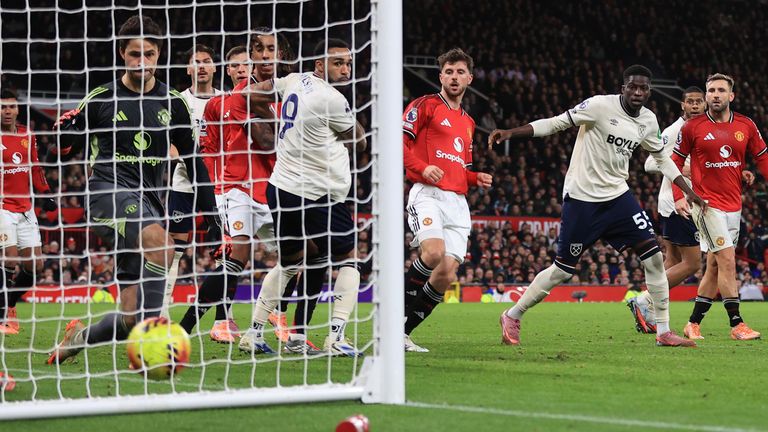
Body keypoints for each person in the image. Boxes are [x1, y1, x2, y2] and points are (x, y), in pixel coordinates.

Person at [489, 65, 707, 348]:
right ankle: (512, 314)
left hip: (618, 197)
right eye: (632, 87)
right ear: (623, 88)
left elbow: (662, 158)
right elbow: (556, 123)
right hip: (583, 198)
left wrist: (688, 191)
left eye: (643, 88)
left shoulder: (648, 120)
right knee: (562, 270)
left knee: (654, 257)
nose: (638, 92)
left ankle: (663, 331)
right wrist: (512, 133)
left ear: (649, 92)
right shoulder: (599, 106)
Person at [47, 15, 219, 364]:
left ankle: (78, 338)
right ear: (122, 54)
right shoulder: (101, 98)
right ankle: (154, 343)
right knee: (163, 245)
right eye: (135, 54)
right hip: (106, 194)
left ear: (159, 55)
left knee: (130, 319)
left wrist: (213, 218)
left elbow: (194, 163)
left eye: (149, 54)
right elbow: (61, 151)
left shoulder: (173, 102)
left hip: (149, 205)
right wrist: (63, 136)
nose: (142, 62)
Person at [241, 38, 367, 357]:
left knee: (291, 261)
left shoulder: (294, 80)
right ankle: (336, 336)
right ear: (320, 64)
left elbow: (249, 93)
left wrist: (278, 122)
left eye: (348, 63)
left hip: (280, 187)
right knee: (350, 257)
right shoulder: (332, 98)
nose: (345, 69)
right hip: (317, 193)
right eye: (338, 63)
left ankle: (254, 332)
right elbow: (359, 141)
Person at [178, 28, 302, 346]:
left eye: (271, 50)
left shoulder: (286, 93)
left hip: (273, 188)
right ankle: (186, 328)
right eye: (258, 51)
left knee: (296, 258)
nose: (265, 56)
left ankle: (275, 318)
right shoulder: (238, 97)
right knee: (235, 258)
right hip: (238, 188)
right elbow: (266, 142)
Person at [629, 87, 754, 333]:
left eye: (699, 102)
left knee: (674, 260)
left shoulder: (705, 128)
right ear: (682, 106)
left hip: (685, 202)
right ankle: (644, 299)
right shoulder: (674, 131)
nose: (695, 106)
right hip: (680, 204)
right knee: (693, 263)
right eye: (690, 102)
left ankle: (651, 310)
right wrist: (684, 170)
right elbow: (649, 163)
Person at [401, 48, 492, 352]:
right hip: (427, 194)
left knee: (446, 274)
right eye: (449, 72)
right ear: (440, 76)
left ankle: (403, 333)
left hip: (457, 203)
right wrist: (422, 167)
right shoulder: (425, 105)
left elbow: (458, 169)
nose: (454, 77)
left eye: (460, 72)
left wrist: (474, 177)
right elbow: (399, 142)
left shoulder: (468, 122)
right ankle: (390, 321)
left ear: (469, 78)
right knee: (433, 252)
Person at [673, 73, 768, 341]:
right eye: (711, 90)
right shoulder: (693, 127)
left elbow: (762, 157)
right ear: (706, 96)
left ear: (731, 96)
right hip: (705, 205)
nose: (715, 95)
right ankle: (737, 324)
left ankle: (693, 323)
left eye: (721, 90)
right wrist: (679, 195)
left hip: (733, 205)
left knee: (714, 267)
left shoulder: (746, 125)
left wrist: (745, 173)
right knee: (727, 259)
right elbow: (674, 162)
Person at [162, 44, 223, 324]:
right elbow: (168, 140)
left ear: (214, 67)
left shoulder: (225, 100)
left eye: (206, 61)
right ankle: (162, 312)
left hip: (218, 186)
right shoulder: (178, 101)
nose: (201, 66)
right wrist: (180, 156)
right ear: (188, 69)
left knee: (225, 251)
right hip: (183, 184)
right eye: (196, 61)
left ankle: (224, 319)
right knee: (174, 251)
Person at [0, 88, 57, 334]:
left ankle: (11, 304)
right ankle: (2, 317)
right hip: (3, 207)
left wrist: (46, 193)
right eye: (3, 107)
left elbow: (34, 166)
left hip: (25, 208)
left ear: (18, 109)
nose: (7, 111)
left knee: (36, 266)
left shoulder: (27, 134)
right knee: (10, 259)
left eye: (11, 106)